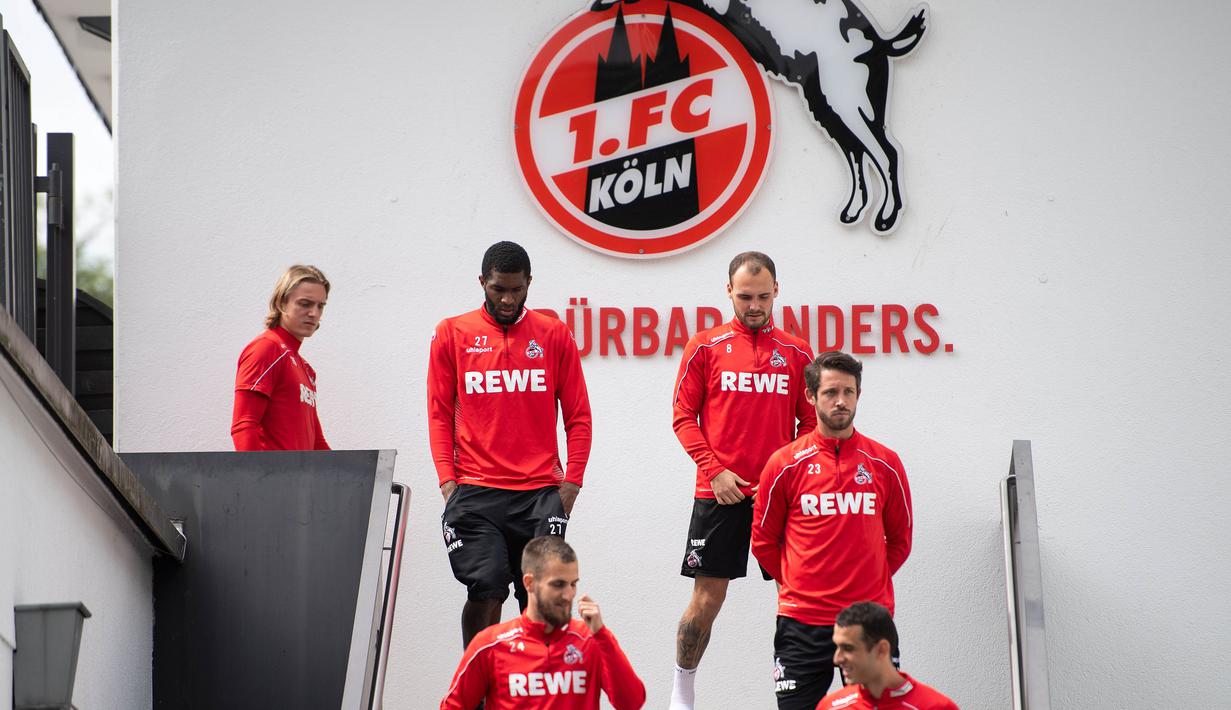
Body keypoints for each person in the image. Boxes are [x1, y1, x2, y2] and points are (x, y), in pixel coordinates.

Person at [668, 252, 816, 709]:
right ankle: (682, 692)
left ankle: (797, 696)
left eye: (763, 296)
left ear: (777, 292)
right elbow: (682, 418)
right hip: (719, 494)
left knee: (797, 599)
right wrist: (715, 472)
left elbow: (810, 425)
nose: (754, 305)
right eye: (746, 296)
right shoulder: (705, 347)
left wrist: (782, 477)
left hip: (780, 499)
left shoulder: (796, 352)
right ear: (728, 291)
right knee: (707, 599)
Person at [428, 241, 593, 650]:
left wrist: (571, 483)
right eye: (498, 288)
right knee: (487, 587)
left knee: (545, 599)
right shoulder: (453, 333)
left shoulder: (553, 334)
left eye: (516, 290)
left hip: (539, 494)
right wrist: (448, 483)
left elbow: (579, 416)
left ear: (529, 284)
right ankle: (478, 686)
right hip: (476, 491)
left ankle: (538, 689)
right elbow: (437, 413)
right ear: (482, 281)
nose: (507, 298)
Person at [752, 351, 913, 709]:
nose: (841, 401)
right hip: (802, 621)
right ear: (810, 396)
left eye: (849, 392)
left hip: (870, 620)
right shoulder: (784, 465)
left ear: (858, 394)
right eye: (830, 392)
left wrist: (868, 581)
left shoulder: (884, 463)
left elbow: (900, 540)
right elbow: (763, 542)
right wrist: (799, 583)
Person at [440, 536, 646, 710]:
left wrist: (602, 634)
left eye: (573, 584)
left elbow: (631, 703)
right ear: (529, 583)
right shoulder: (489, 645)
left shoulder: (591, 639)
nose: (568, 595)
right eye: (558, 584)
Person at [231, 264, 331, 451]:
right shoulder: (266, 348)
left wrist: (343, 477)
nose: (314, 313)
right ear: (282, 302)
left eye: (320, 306)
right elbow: (244, 425)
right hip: (273, 479)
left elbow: (317, 442)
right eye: (305, 304)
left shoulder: (306, 369)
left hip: (301, 479)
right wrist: (258, 478)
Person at [817, 602, 958, 709]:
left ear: (882, 650)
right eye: (837, 647)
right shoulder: (830, 706)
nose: (837, 659)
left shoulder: (937, 706)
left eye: (848, 648)